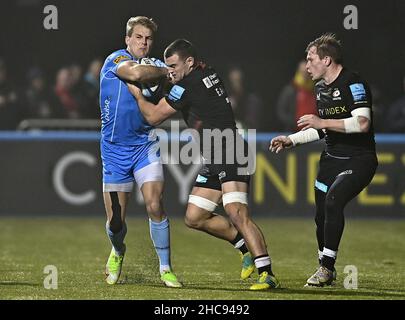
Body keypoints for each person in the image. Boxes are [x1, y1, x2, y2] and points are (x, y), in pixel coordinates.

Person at [127, 39, 280, 291]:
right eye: (167, 66)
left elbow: (153, 116)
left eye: (173, 66)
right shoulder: (205, 72)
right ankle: (245, 249)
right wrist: (166, 80)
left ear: (189, 62)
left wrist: (136, 92)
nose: (170, 71)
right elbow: (179, 90)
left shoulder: (190, 84)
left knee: (236, 212)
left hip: (230, 150)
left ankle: (267, 273)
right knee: (194, 217)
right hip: (216, 153)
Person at [270, 33, 378, 287]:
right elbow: (322, 128)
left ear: (327, 60)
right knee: (321, 215)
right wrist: (292, 140)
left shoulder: (353, 82)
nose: (306, 66)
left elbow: (362, 123)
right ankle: (325, 265)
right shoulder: (320, 88)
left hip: (359, 160)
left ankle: (326, 269)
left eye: (310, 59)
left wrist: (322, 122)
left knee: (333, 200)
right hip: (330, 161)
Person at [99, 16, 181, 287]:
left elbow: (176, 83)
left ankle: (166, 267)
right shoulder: (115, 61)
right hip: (114, 150)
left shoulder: (157, 64)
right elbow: (135, 74)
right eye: (138, 37)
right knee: (116, 222)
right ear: (127, 39)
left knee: (155, 204)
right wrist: (164, 73)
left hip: (145, 145)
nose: (143, 43)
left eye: (148, 39)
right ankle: (119, 250)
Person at [276, 60, 317, 132]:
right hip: (294, 131)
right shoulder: (290, 89)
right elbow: (281, 111)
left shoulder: (315, 89)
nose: (305, 75)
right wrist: (293, 122)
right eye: (302, 72)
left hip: (314, 131)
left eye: (307, 72)